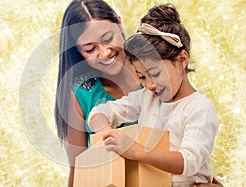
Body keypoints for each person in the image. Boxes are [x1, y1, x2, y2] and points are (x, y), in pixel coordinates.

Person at [55, 0, 223, 186]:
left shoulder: (161, 85)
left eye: (108, 38)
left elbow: (192, 159)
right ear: (78, 51)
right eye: (90, 49)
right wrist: (107, 133)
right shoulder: (145, 95)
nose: (104, 52)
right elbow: (78, 170)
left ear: (119, 24)